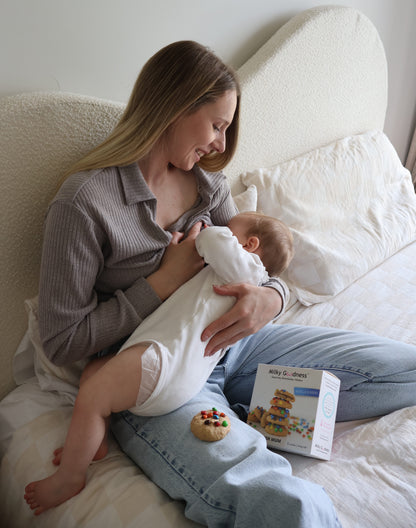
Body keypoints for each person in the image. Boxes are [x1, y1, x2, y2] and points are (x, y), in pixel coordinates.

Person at [23, 40, 416, 527]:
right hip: (160, 373)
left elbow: (262, 265)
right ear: (172, 106)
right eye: (217, 125)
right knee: (288, 506)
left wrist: (269, 301)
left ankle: (245, 402)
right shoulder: (85, 203)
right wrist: (163, 281)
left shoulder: (207, 184)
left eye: (226, 130)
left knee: (405, 368)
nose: (220, 145)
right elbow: (61, 341)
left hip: (240, 343)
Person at [24, 212, 294, 512]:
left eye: (231, 229)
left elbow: (213, 241)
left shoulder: (247, 269)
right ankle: (94, 442)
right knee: (93, 372)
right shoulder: (235, 273)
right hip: (170, 367)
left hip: (164, 363)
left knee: (92, 396)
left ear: (250, 244)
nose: (224, 228)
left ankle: (69, 477)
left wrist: (200, 233)